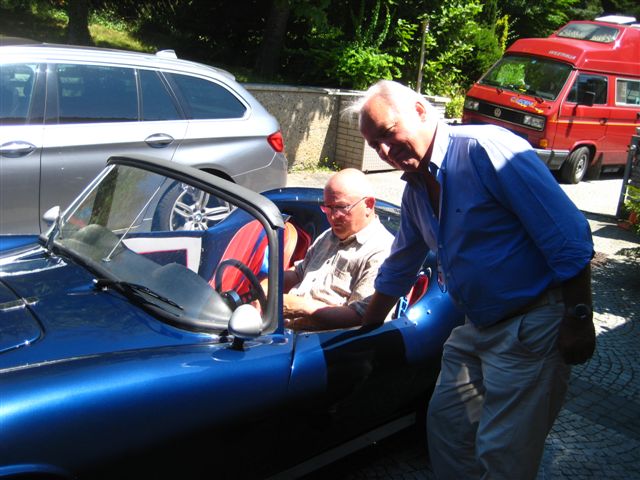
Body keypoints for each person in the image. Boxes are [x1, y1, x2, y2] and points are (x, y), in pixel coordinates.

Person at [348, 80, 595, 479]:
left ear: (421, 111)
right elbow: (398, 268)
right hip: (474, 328)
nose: (384, 151)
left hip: (530, 326)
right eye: (374, 144)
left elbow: (568, 234)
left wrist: (580, 317)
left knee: (503, 455)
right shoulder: (414, 191)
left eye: (388, 134)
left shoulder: (485, 149)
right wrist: (364, 329)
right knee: (446, 431)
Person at [283, 168, 394, 331]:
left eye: (341, 207)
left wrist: (302, 307)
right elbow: (299, 272)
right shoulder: (330, 235)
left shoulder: (382, 251)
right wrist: (268, 285)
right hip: (285, 330)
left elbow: (362, 318)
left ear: (369, 205)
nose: (332, 217)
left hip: (318, 345)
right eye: (328, 207)